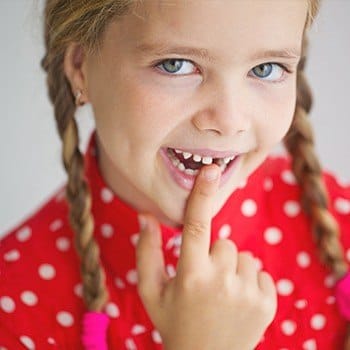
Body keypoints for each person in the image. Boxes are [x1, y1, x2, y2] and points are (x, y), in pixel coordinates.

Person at [1, 0, 350, 349]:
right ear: (81, 66)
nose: (229, 120)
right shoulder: (13, 306)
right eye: (176, 65)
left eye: (266, 69)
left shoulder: (340, 223)